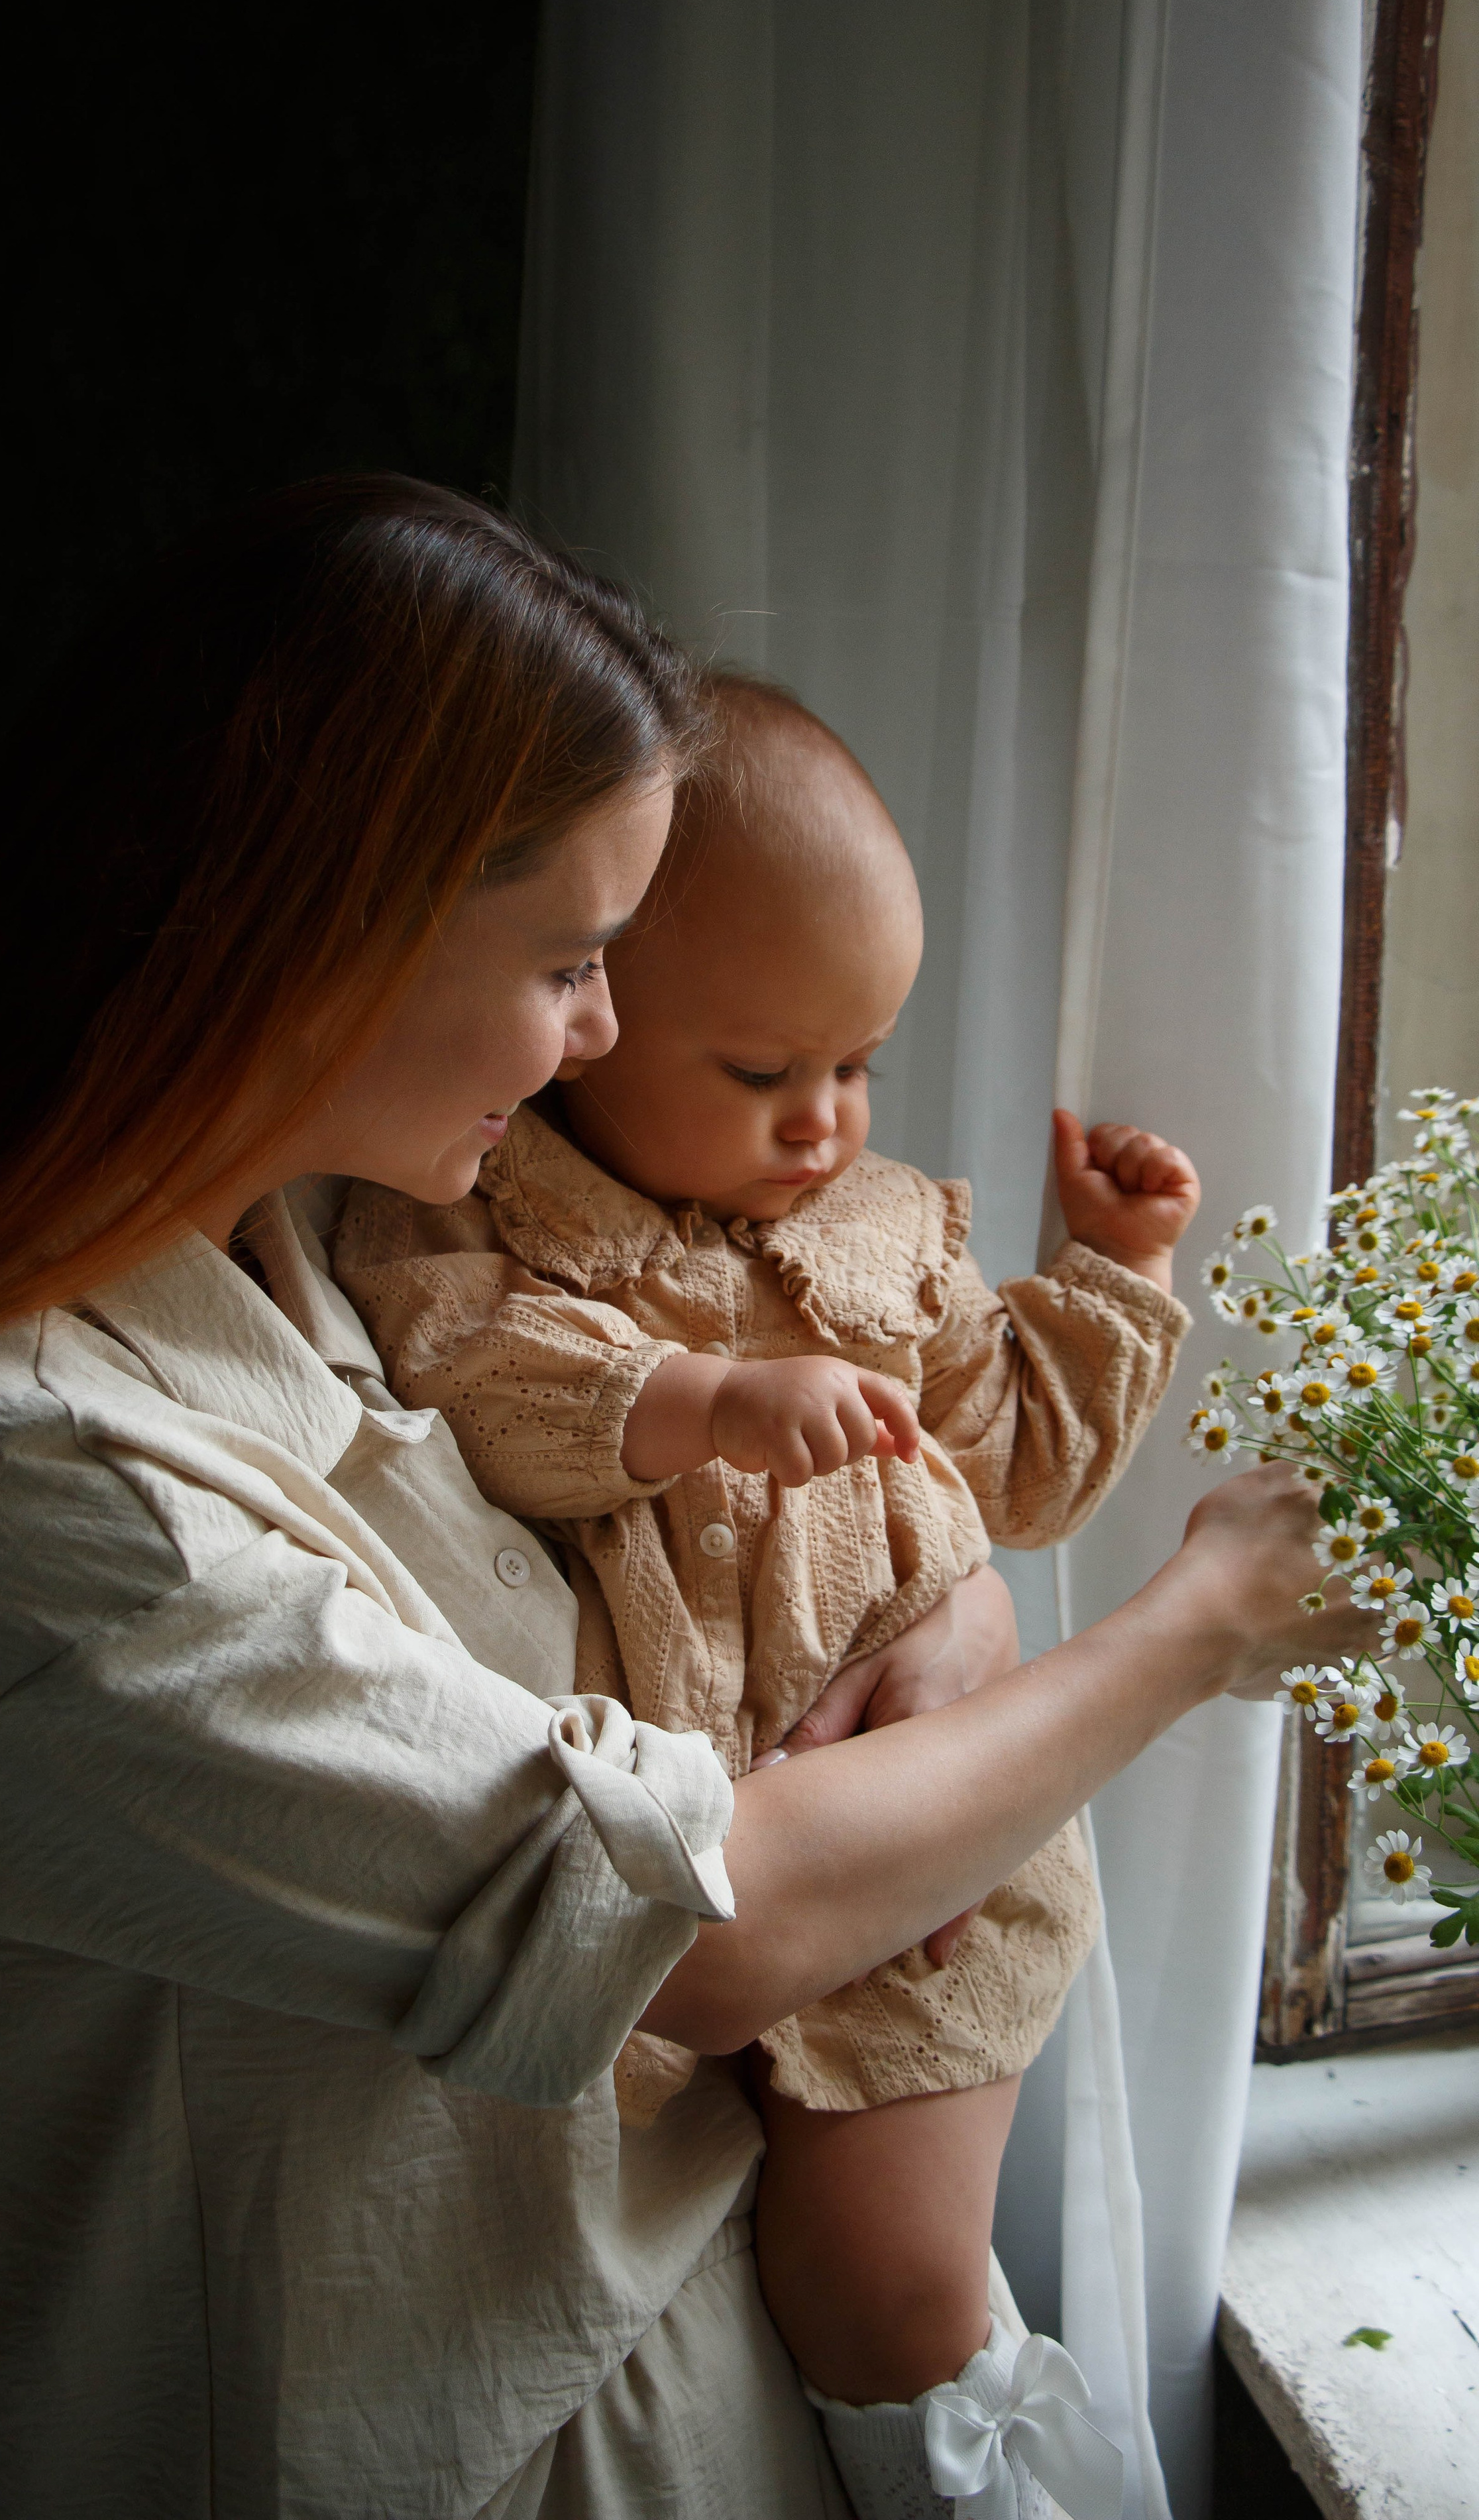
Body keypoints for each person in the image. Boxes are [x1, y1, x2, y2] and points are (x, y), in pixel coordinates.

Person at [0, 477, 1372, 2520]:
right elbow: (691, 1923)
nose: (600, 1036)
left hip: (721, 2385)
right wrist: (1201, 1624)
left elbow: (675, 1634)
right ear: (326, 923)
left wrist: (951, 1612)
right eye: (572, 959)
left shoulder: (331, 1271)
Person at [330, 675, 1201, 2515]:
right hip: (709, 1881)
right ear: (586, 1014)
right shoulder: (479, 1214)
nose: (825, 1123)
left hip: (938, 1868)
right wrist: (699, 1400)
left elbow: (1020, 1472)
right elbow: (466, 1375)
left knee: (887, 2287)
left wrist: (1109, 1274)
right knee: (730, 2223)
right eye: (762, 1072)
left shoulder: (882, 1233)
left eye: (858, 1063)